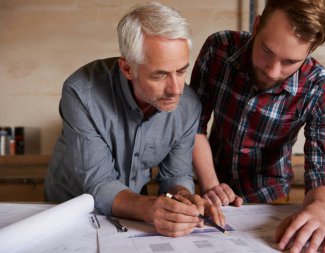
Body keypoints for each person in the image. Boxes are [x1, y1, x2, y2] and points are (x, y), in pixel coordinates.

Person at [44, 2, 224, 237]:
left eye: (181, 71)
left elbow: (174, 176)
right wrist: (150, 209)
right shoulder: (81, 93)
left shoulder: (188, 105)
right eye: (160, 75)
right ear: (127, 69)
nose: (176, 89)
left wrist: (183, 199)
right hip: (66, 209)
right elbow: (98, 184)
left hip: (132, 212)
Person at [190, 0, 325, 252]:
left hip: (270, 197)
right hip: (210, 183)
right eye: (267, 51)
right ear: (257, 24)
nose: (273, 71)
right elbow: (192, 127)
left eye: (290, 61)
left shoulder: (322, 89)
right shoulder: (218, 48)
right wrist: (211, 185)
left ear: (310, 50)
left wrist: (319, 211)